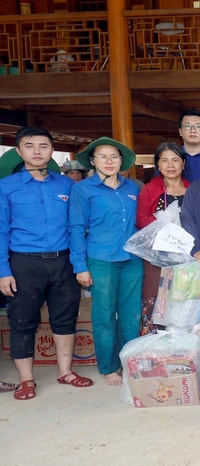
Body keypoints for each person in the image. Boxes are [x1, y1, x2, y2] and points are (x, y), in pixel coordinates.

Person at [0, 129, 93, 398]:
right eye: (30, 146)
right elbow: (1, 229)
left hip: (63, 261)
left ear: (52, 151)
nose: (37, 151)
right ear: (19, 151)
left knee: (65, 317)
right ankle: (26, 380)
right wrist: (3, 270)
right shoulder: (6, 186)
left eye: (43, 146)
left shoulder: (66, 185)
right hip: (24, 262)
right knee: (22, 320)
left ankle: (65, 372)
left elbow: (77, 225)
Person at [69, 136, 143, 386]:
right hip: (101, 259)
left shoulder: (133, 188)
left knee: (131, 315)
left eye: (114, 156)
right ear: (93, 161)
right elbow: (76, 228)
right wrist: (80, 266)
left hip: (132, 259)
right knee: (104, 315)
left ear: (121, 161)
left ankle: (128, 363)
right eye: (103, 157)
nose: (109, 161)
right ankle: (109, 367)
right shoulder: (82, 189)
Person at [136, 142, 189, 335]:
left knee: (184, 300)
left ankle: (182, 344)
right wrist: (166, 224)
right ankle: (153, 343)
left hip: (187, 257)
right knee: (156, 298)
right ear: (158, 164)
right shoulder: (150, 189)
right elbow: (141, 219)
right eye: (165, 160)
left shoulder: (193, 189)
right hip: (156, 257)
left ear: (183, 163)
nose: (170, 165)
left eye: (175, 160)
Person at [178, 109, 200, 182]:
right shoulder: (172, 156)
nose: (193, 130)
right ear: (180, 131)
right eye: (187, 126)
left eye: (198, 126)